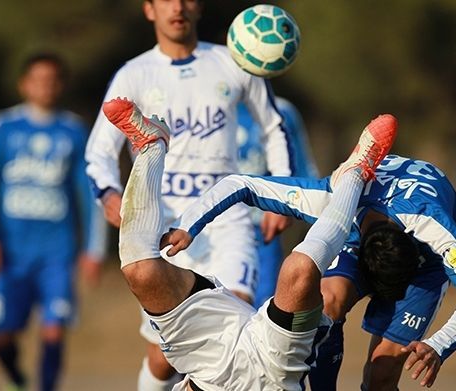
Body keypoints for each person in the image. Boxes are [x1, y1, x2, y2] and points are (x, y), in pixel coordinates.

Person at [101, 97, 397, 390]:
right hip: (273, 370)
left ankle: (152, 145)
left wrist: (189, 224)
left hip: (204, 362)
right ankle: (356, 173)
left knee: (140, 271)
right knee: (299, 271)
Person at [176, 136, 456, 389]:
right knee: (328, 300)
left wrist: (438, 346)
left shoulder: (432, 224)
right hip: (360, 234)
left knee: (381, 377)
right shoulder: (332, 198)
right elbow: (241, 183)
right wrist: (187, 225)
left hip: (423, 265)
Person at [84, 0, 294, 388]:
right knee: (164, 359)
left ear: (200, 8)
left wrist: (281, 192)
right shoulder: (134, 74)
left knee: (233, 331)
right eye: (165, 0)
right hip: (163, 228)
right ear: (149, 10)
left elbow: (273, 128)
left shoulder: (234, 61)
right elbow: (98, 152)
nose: (177, 6)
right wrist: (109, 194)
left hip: (226, 218)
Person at [0, 53, 106, 391]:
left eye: (52, 80)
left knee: (54, 328)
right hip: (11, 252)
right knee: (2, 334)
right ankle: (16, 379)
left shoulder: (72, 130)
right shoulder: (3, 126)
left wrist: (93, 248)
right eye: (37, 79)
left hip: (56, 253)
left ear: (60, 85)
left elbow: (88, 193)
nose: (45, 86)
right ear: (24, 84)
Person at [236, 97, 320, 307]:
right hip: (209, 229)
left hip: (262, 230)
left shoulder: (283, 110)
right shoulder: (204, 100)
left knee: (259, 311)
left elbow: (303, 170)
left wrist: (284, 204)